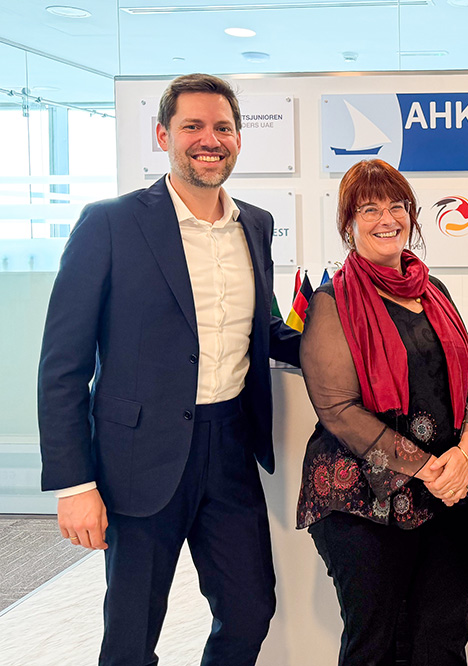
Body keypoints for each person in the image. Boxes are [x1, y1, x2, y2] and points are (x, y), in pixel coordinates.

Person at [36, 73, 301, 664]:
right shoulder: (109, 223)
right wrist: (75, 485)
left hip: (231, 449)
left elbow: (269, 329)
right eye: (193, 127)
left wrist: (351, 343)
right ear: (163, 135)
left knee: (251, 610)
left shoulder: (254, 225)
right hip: (139, 457)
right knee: (131, 636)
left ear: (238, 139)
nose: (210, 139)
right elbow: (62, 365)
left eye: (223, 127)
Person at [295, 159, 468, 666]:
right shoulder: (331, 302)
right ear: (348, 223)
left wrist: (465, 456)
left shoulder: (435, 291)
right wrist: (429, 468)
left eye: (397, 206)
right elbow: (337, 408)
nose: (387, 218)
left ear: (413, 215)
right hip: (362, 497)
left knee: (442, 639)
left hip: (447, 488)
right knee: (373, 644)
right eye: (369, 208)